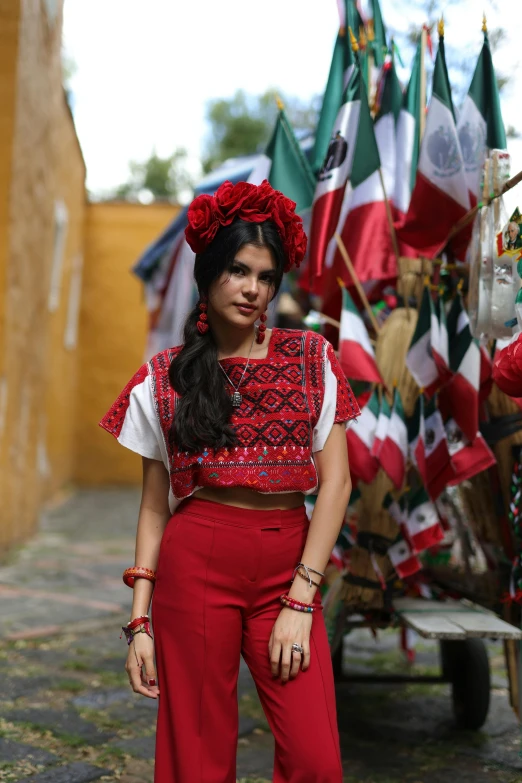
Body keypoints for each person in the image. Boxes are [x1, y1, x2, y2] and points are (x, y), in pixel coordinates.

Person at [100, 180, 360, 783]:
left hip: (287, 568)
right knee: (197, 761)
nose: (253, 289)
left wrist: (302, 596)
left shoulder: (311, 357)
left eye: (266, 277)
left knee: (317, 763)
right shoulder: (163, 378)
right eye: (239, 271)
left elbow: (338, 483)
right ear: (209, 272)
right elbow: (153, 508)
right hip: (196, 566)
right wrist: (139, 622)